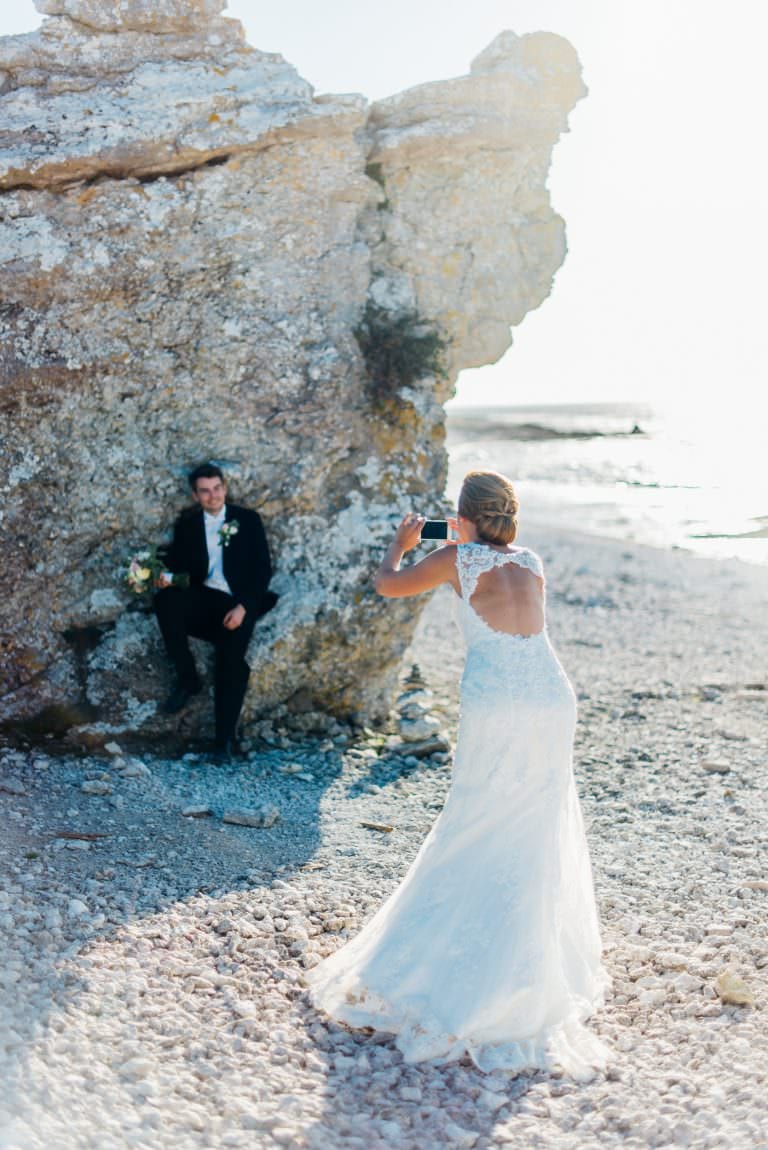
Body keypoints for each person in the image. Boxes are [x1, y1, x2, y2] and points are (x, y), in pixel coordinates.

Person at [307, 469, 610, 1077]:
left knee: (475, 818)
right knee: (533, 827)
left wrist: (402, 541)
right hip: (552, 696)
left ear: (465, 517)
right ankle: (528, 972)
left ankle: (452, 968)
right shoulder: (532, 558)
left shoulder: (455, 558)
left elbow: (388, 587)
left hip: (498, 699)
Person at [154, 464, 276, 760]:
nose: (213, 496)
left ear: (224, 487)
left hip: (239, 602)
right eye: (205, 491)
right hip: (205, 598)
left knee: (231, 661)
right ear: (196, 495)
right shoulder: (188, 525)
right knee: (165, 600)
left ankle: (223, 742)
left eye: (217, 488)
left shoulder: (247, 520)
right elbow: (182, 568)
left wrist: (244, 607)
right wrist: (159, 573)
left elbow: (262, 570)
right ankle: (188, 679)